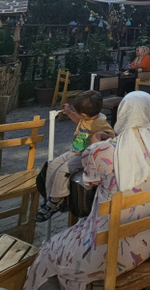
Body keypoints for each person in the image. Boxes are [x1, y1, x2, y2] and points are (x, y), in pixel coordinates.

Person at [24, 92, 150, 290]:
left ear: (122, 113)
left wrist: (95, 142)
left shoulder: (102, 151)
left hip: (112, 249)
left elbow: (90, 180)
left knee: (49, 249)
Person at [35, 91, 114, 222]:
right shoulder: (86, 118)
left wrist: (98, 137)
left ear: (84, 115)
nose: (74, 113)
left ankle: (56, 201)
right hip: (75, 150)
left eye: (75, 111)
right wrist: (69, 113)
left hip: (84, 155)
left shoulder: (99, 122)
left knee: (63, 170)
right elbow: (78, 121)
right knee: (53, 164)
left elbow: (111, 136)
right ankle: (50, 195)